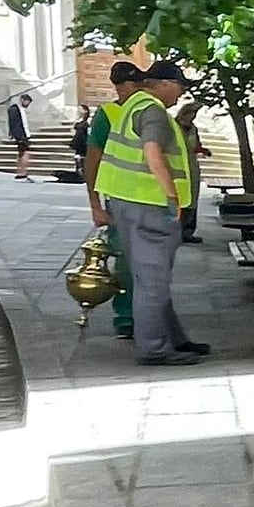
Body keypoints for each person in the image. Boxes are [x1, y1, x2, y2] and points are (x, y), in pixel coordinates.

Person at [93, 60, 208, 366]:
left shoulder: (132, 105)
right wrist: (172, 197)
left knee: (148, 279)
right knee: (153, 283)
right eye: (180, 87)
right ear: (165, 84)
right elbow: (153, 152)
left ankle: (174, 338)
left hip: (125, 202)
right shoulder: (154, 111)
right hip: (150, 206)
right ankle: (154, 349)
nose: (181, 94)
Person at [85, 63, 145, 341]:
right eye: (123, 86)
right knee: (124, 259)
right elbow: (93, 160)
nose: (127, 91)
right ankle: (126, 316)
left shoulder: (148, 111)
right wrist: (95, 205)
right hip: (120, 197)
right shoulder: (108, 114)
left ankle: (145, 313)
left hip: (148, 198)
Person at [174, 102, 212, 243]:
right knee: (178, 200)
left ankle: (188, 231)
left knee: (192, 200)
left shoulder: (193, 129)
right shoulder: (174, 127)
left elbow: (195, 145)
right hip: (177, 167)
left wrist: (203, 150)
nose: (193, 117)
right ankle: (175, 230)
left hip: (192, 168)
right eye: (191, 114)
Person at [8, 93, 34, 181]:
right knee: (26, 153)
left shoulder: (21, 109)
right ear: (22, 100)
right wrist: (17, 136)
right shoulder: (14, 109)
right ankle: (22, 172)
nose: (28, 105)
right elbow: (13, 123)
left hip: (24, 134)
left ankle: (20, 172)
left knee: (21, 153)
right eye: (27, 102)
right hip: (21, 135)